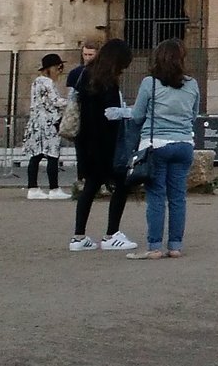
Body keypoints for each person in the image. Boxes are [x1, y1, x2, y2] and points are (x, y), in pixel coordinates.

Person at [109, 37, 201, 260]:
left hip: (156, 145)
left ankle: (154, 246)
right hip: (184, 144)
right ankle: (176, 246)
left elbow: (138, 115)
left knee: (156, 196)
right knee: (178, 197)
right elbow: (194, 114)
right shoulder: (192, 84)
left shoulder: (149, 83)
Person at [68, 41, 135, 252]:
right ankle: (111, 234)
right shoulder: (108, 82)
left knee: (90, 187)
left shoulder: (85, 75)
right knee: (122, 185)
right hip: (105, 143)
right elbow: (110, 115)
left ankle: (78, 237)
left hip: (86, 141)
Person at [23, 53, 66, 199]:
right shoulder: (48, 83)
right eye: (59, 67)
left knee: (36, 155)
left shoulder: (36, 82)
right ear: (52, 68)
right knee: (53, 155)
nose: (60, 71)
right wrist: (71, 102)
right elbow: (54, 101)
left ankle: (32, 187)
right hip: (48, 122)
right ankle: (54, 188)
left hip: (35, 122)